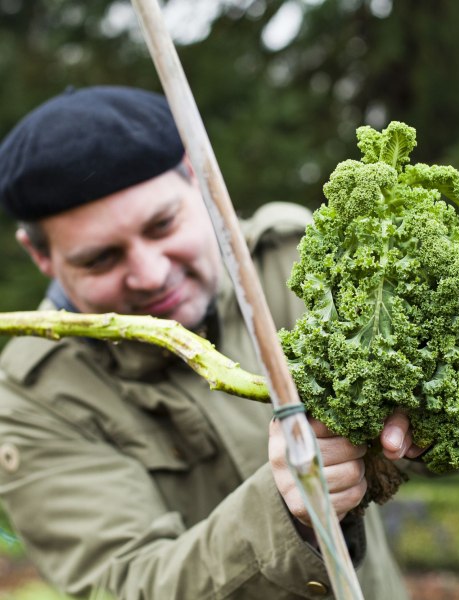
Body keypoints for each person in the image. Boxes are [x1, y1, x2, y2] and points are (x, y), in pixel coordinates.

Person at [0, 85, 421, 599]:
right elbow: (126, 585)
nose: (151, 274)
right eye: (100, 259)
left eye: (162, 225)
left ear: (197, 177)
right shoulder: (30, 395)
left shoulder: (295, 261)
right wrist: (285, 512)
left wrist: (414, 423)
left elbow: (433, 430)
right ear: (41, 257)